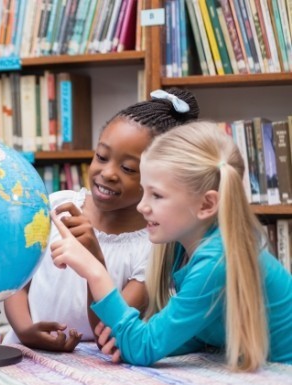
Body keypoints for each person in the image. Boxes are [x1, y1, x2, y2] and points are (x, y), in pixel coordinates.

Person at [51, 121, 292, 371]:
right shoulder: (184, 246)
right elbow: (200, 331)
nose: (142, 206)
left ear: (206, 205)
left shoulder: (217, 260)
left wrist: (94, 271)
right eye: (144, 192)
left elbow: (143, 348)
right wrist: (128, 340)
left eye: (157, 195)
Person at [3, 88, 200, 352]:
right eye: (101, 157)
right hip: (25, 349)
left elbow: (109, 331)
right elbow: (16, 282)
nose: (107, 173)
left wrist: (93, 257)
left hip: (92, 365)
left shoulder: (155, 248)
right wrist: (25, 331)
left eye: (128, 168)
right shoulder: (56, 205)